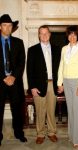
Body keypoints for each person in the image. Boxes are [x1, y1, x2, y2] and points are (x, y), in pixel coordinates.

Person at [27, 25, 60, 144]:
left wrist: (60, 84)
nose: (44, 35)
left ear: (50, 34)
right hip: (38, 86)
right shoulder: (32, 50)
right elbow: (29, 70)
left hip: (53, 84)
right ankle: (40, 134)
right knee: (40, 111)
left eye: (46, 33)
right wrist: (32, 87)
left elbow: (60, 69)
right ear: (39, 35)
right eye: (42, 33)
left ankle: (52, 132)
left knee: (51, 110)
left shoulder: (57, 49)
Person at [57, 25, 78, 148]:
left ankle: (77, 138)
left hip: (76, 82)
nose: (72, 36)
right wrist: (59, 83)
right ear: (67, 36)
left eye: (74, 34)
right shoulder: (64, 49)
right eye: (70, 34)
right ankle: (71, 135)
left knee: (76, 110)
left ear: (77, 35)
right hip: (66, 81)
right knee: (70, 110)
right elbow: (61, 66)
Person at [0, 14, 27, 145]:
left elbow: (21, 63)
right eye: (4, 25)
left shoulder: (19, 42)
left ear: (12, 27)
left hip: (15, 82)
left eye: (10, 25)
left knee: (17, 109)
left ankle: (19, 133)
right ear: (0, 27)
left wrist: (13, 76)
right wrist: (4, 77)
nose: (7, 28)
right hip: (0, 82)